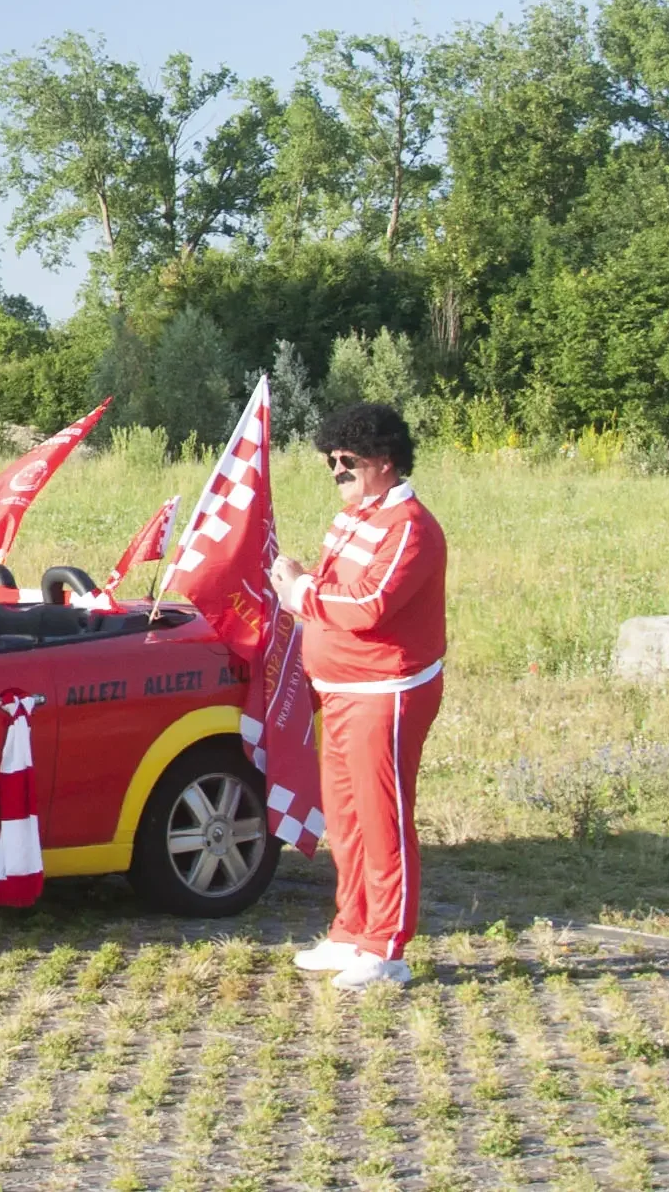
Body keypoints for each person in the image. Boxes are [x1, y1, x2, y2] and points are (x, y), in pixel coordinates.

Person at [268, 403, 446, 991]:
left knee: (382, 820)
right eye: (331, 461)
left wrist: (300, 592)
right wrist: (302, 585)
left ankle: (387, 948)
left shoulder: (410, 527)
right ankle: (351, 930)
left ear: (385, 461)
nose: (337, 470)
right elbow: (335, 588)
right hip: (341, 691)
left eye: (349, 461)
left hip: (385, 693)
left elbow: (367, 606)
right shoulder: (354, 519)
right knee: (344, 820)